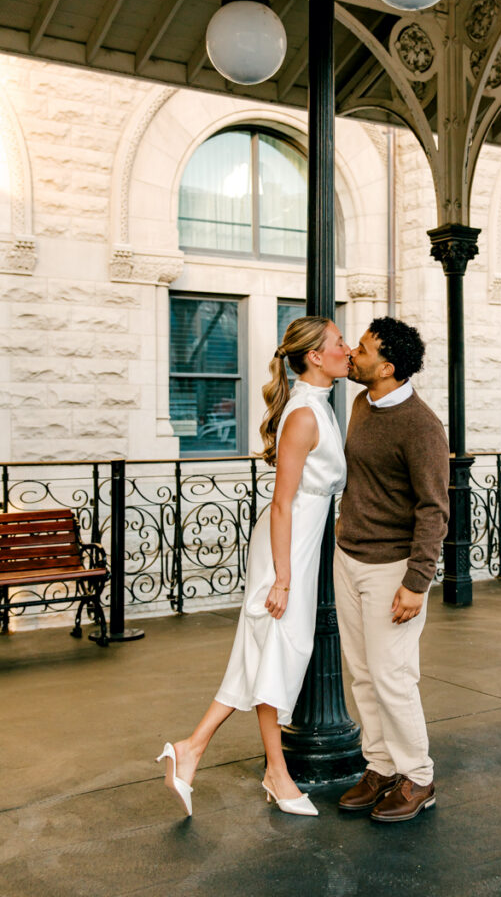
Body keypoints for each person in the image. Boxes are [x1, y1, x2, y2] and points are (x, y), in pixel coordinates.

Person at [158, 316, 350, 818]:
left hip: (300, 543)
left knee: (266, 652)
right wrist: (283, 578)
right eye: (339, 342)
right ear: (315, 356)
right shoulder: (304, 414)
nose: (348, 349)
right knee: (278, 650)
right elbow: (282, 502)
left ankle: (193, 749)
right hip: (286, 546)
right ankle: (274, 772)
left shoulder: (320, 407)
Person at [335, 317, 449, 823]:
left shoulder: (422, 426)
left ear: (387, 368)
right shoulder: (362, 403)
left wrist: (416, 582)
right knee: (363, 674)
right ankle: (380, 766)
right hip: (349, 557)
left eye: (362, 349)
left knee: (392, 676)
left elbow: (434, 509)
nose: (352, 353)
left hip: (392, 569)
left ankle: (418, 777)